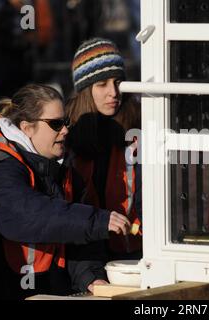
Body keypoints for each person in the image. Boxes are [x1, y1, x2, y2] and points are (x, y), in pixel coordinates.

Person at [0, 84, 132, 300]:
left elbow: (78, 238)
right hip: (1, 291)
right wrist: (98, 220)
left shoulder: (65, 167)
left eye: (65, 122)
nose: (65, 130)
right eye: (55, 124)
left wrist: (91, 278)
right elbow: (29, 216)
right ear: (27, 128)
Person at [65, 38, 142, 285]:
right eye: (102, 84)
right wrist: (90, 277)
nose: (114, 92)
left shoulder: (143, 126)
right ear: (85, 89)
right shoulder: (65, 136)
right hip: (89, 264)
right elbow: (69, 215)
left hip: (140, 257)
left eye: (119, 82)